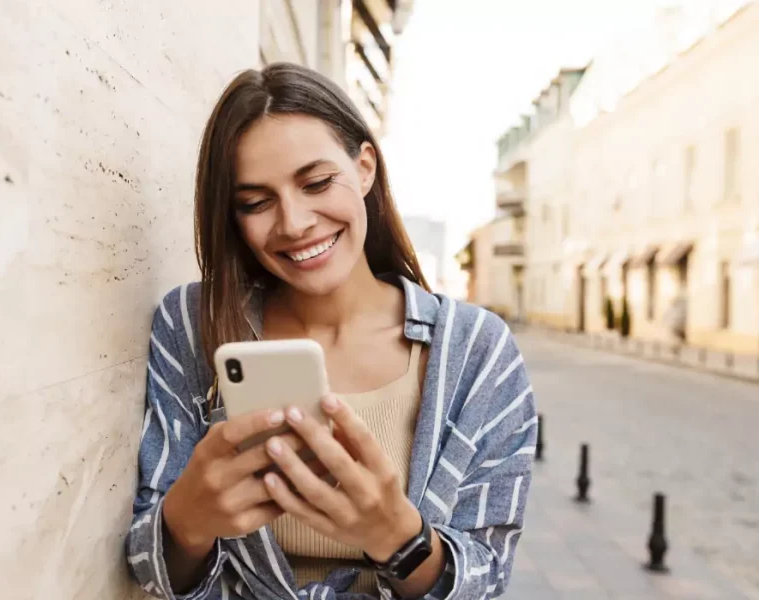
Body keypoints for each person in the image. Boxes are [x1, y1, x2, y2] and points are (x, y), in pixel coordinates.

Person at [126, 62, 536, 600]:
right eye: (255, 202)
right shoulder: (193, 324)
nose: (294, 223)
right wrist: (186, 522)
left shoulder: (478, 352)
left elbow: (486, 578)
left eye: (317, 182)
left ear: (365, 167)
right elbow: (151, 570)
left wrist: (400, 538)